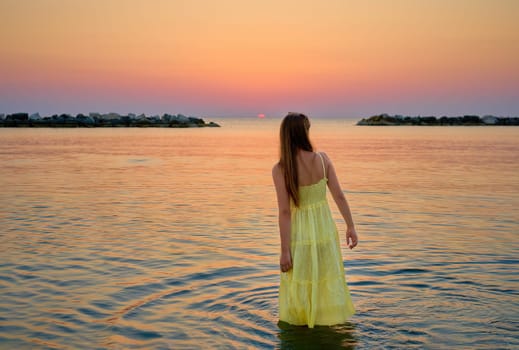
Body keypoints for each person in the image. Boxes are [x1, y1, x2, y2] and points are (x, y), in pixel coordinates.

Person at [272, 112, 358, 328]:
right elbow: (339, 195)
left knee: (301, 280)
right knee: (324, 277)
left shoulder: (281, 169)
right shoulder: (322, 159)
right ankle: (324, 321)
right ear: (305, 132)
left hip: (299, 235)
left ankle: (303, 323)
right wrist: (350, 226)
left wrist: (284, 251)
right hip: (324, 231)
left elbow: (284, 212)